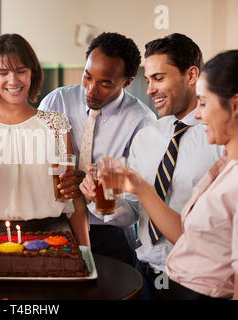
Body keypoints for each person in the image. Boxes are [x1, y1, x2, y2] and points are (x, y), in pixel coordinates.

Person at [80, 34, 223, 299]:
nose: (149, 90)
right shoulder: (147, 137)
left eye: (159, 78)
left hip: (199, 280)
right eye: (148, 80)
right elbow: (133, 211)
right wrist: (101, 198)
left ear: (191, 75)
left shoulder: (219, 139)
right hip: (146, 274)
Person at [0, 33, 90, 246]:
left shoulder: (56, 125)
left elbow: (73, 200)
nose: (13, 81)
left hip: (55, 238)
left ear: (32, 73)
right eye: (3, 72)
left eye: (21, 71)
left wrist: (85, 251)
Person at [122, 49, 238, 300]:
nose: (197, 113)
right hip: (162, 277)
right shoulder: (225, 167)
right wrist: (139, 186)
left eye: (204, 102)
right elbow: (189, 237)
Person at [39, 32, 156, 265]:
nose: (91, 90)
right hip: (55, 225)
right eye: (87, 76)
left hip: (108, 234)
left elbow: (134, 210)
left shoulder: (142, 122)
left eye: (105, 83)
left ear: (127, 81)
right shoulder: (56, 101)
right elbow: (32, 157)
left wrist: (98, 196)